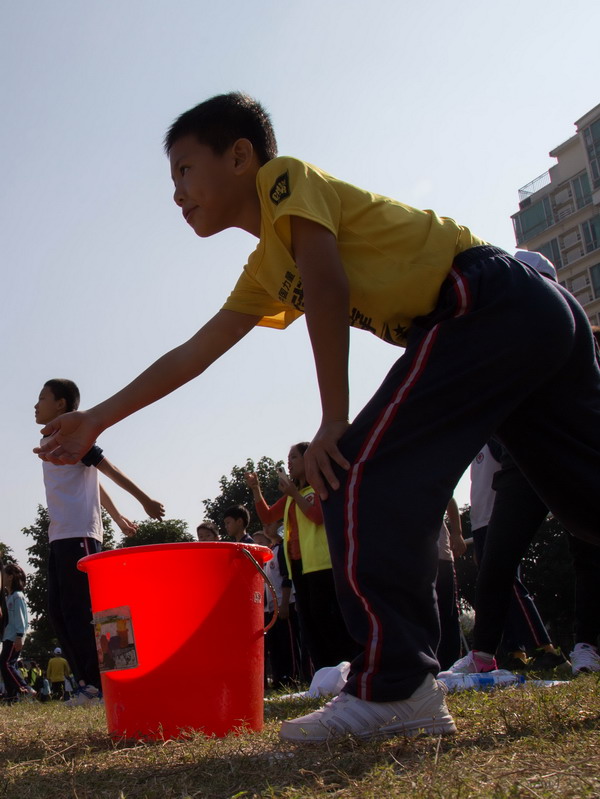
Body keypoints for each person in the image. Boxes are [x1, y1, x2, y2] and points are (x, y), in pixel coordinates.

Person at [34, 92, 600, 742]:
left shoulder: (284, 180)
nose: (177, 193)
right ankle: (400, 683)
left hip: (480, 297)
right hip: (531, 314)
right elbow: (194, 352)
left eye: (185, 170)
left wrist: (335, 420)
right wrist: (98, 418)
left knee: (355, 472)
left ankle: (398, 688)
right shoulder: (265, 269)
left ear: (239, 156)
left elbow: (328, 283)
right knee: (588, 503)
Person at [34, 378, 165, 706]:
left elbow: (106, 468)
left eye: (42, 398)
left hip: (80, 533)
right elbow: (92, 480)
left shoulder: (74, 433)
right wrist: (118, 517)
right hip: (60, 535)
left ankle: (108, 682)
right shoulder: (52, 440)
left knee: (93, 610)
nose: (35, 405)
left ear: (61, 404)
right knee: (60, 611)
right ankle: (89, 684)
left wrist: (144, 500)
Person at [246, 444, 357, 673]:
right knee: (311, 624)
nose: (289, 462)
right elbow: (267, 515)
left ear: (309, 458)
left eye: (294, 457)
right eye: (288, 458)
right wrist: (256, 489)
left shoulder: (318, 487)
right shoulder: (291, 497)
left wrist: (294, 494)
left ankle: (345, 671)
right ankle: (324, 675)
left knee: (329, 622)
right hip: (300, 566)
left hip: (323, 565)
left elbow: (317, 516)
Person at [435, 498, 467, 671]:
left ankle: (450, 666)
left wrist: (457, 533)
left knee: (447, 613)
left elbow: (448, 498)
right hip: (408, 556)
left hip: (440, 554)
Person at [0, 563, 32, 702]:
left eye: (3, 574)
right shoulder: (9, 598)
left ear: (10, 577)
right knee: (6, 665)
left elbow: (21, 618)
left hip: (14, 637)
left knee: (6, 664)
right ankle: (12, 696)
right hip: (8, 636)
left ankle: (25, 688)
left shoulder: (17, 596)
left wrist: (20, 636)